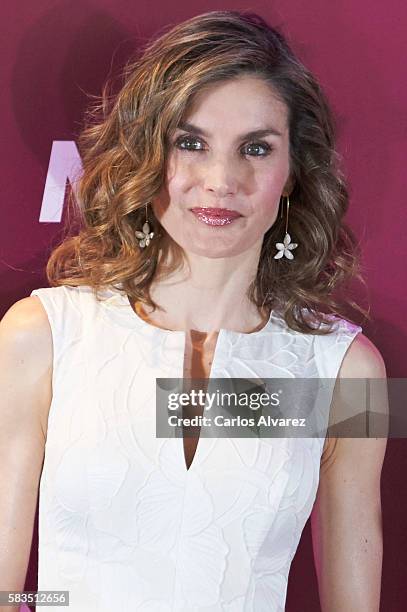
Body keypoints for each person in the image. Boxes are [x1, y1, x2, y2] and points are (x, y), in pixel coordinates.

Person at [0, 10, 388, 612]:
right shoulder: (42, 335)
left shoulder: (348, 373)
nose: (220, 180)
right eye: (191, 143)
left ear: (291, 174)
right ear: (149, 153)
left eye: (255, 149)